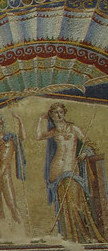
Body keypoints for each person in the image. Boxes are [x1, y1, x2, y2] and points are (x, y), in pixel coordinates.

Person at [35, 102, 106, 243]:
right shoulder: (54, 132)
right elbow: (38, 136)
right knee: (65, 204)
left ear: (64, 113)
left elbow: (88, 143)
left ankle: (83, 235)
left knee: (76, 202)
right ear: (51, 116)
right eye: (55, 113)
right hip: (57, 169)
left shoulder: (73, 128)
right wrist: (39, 120)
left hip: (70, 167)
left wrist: (84, 154)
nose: (59, 115)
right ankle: (70, 235)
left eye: (61, 112)